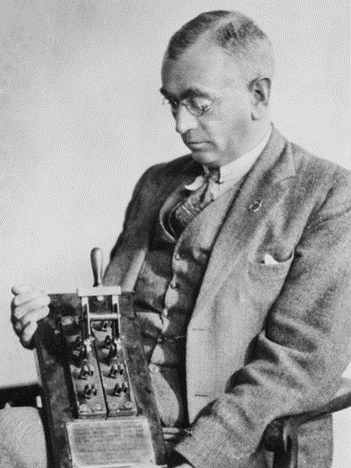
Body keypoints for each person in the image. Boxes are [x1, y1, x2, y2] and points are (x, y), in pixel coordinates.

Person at [2, 10, 351, 468]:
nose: (181, 125)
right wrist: (50, 327)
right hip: (116, 428)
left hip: (228, 444)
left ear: (259, 96)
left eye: (198, 104)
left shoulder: (326, 195)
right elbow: (114, 326)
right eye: (171, 103)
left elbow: (299, 366)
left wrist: (193, 458)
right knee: (9, 434)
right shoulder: (156, 184)